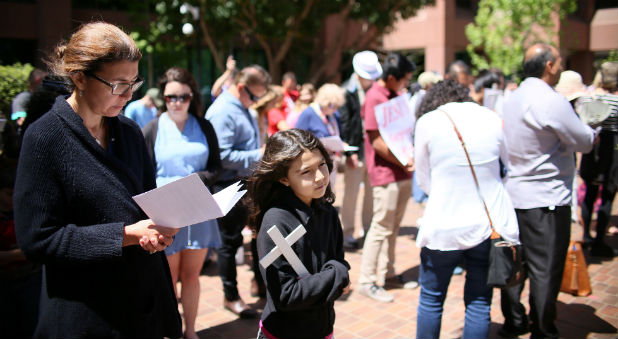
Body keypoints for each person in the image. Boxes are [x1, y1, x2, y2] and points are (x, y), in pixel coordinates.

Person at [12, 22, 182, 338]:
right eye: (118, 84)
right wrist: (125, 234)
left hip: (141, 307)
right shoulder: (45, 138)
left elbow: (148, 207)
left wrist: (157, 231)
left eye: (134, 82)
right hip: (86, 315)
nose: (130, 94)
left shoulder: (130, 132)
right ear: (79, 78)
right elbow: (38, 240)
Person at [499, 43, 595, 339]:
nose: (561, 67)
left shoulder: (511, 99)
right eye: (560, 62)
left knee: (516, 265)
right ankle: (542, 329)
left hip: (514, 195)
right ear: (549, 66)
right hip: (546, 199)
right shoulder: (551, 100)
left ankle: (514, 322)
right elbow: (584, 141)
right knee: (545, 269)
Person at [414, 79, 520, 339]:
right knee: (479, 303)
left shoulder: (427, 122)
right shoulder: (491, 117)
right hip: (487, 224)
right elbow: (507, 166)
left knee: (431, 299)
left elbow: (423, 180)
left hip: (442, 224)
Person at [142, 67, 222, 339]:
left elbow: (215, 168)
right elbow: (143, 172)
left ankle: (190, 331)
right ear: (163, 97)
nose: (176, 102)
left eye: (183, 97)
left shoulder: (204, 126)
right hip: (165, 212)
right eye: (170, 97)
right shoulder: (152, 128)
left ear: (192, 96)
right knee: (168, 278)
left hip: (198, 207)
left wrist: (194, 180)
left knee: (191, 276)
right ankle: (170, 331)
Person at [248, 129, 350, 339]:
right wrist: (337, 274)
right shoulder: (275, 222)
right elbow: (285, 294)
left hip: (322, 327)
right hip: (283, 332)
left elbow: (337, 259)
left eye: (322, 164)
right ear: (284, 179)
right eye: (306, 172)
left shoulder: (327, 212)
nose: (320, 176)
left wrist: (337, 271)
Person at [206, 64, 271, 318]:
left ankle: (259, 282)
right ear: (241, 87)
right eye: (254, 96)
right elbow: (222, 155)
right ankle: (230, 295)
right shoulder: (223, 111)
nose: (256, 102)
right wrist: (259, 154)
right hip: (229, 185)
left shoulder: (242, 108)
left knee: (257, 236)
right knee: (230, 242)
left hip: (248, 182)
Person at [358, 52, 416, 303]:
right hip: (385, 174)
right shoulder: (374, 96)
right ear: (391, 77)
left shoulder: (396, 95)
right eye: (403, 79)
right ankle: (367, 280)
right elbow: (376, 142)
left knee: (393, 227)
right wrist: (403, 160)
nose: (406, 84)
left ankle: (388, 272)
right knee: (380, 228)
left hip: (403, 171)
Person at [339, 50, 382, 249]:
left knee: (371, 195)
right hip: (355, 150)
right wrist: (349, 152)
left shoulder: (376, 90)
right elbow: (345, 124)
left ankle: (368, 230)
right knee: (351, 194)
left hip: (373, 151)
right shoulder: (346, 91)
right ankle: (348, 232)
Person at [577, 61, 618, 257]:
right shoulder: (616, 101)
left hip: (591, 147)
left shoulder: (586, 98)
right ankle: (599, 240)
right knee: (608, 197)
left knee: (589, 195)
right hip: (612, 149)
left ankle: (586, 235)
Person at [295, 83, 346, 188]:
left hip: (331, 161)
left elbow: (338, 134)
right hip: (314, 164)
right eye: (332, 105)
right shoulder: (308, 113)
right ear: (324, 101)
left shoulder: (334, 115)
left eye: (337, 106)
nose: (334, 109)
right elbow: (297, 138)